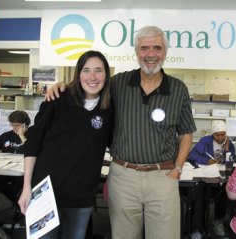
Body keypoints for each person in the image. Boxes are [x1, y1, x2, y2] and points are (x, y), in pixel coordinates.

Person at [45, 26, 196, 239]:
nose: (150, 54)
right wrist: (61, 86)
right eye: (144, 48)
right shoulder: (118, 83)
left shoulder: (178, 88)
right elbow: (89, 84)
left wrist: (177, 169)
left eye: (157, 48)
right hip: (123, 176)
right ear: (136, 52)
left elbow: (186, 133)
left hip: (163, 176)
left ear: (165, 52)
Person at [18, 50, 114, 239]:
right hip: (45, 192)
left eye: (98, 70)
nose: (92, 77)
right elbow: (33, 143)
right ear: (78, 74)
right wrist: (26, 186)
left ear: (106, 75)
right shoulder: (57, 99)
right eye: (86, 70)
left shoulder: (110, 109)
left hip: (82, 196)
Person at [188, 120, 236, 238]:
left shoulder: (229, 143)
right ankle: (198, 227)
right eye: (217, 134)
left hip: (222, 175)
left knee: (227, 190)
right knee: (200, 192)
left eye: (222, 134)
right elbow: (192, 155)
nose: (220, 137)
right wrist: (206, 161)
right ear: (212, 133)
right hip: (206, 176)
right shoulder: (205, 141)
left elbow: (232, 160)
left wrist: (226, 149)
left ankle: (218, 220)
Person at [0, 110, 30, 205]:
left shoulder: (32, 136)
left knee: (20, 184)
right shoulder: (6, 136)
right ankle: (16, 202)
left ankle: (20, 202)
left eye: (17, 125)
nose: (14, 128)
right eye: (12, 125)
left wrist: (22, 135)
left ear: (25, 124)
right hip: (8, 169)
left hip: (24, 171)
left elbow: (30, 149)